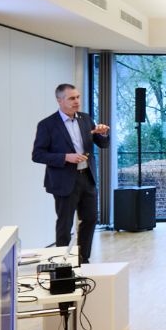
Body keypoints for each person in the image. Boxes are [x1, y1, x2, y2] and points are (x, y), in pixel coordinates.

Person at [31, 83, 109, 264]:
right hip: (64, 182)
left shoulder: (86, 119)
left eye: (78, 97)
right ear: (59, 100)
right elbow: (37, 155)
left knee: (90, 220)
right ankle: (62, 262)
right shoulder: (47, 125)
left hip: (87, 179)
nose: (77, 102)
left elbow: (102, 144)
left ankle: (83, 258)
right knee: (65, 225)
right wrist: (66, 157)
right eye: (72, 98)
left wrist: (103, 134)